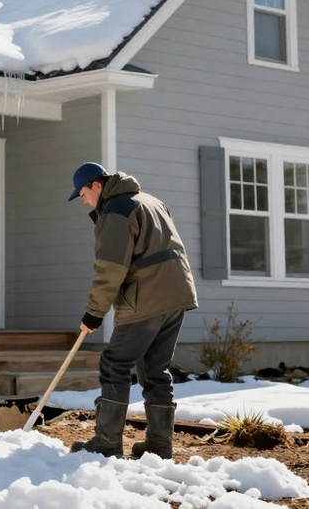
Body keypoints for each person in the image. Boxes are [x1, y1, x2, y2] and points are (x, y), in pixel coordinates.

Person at [67, 161, 198, 459]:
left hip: (147, 296)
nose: (84, 201)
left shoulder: (116, 210)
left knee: (115, 364)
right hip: (177, 294)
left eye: (83, 194)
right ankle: (160, 446)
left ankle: (107, 443)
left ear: (96, 186)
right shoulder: (151, 201)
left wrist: (93, 313)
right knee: (155, 369)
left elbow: (110, 268)